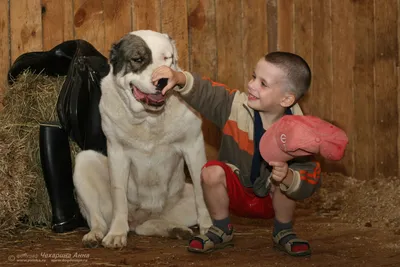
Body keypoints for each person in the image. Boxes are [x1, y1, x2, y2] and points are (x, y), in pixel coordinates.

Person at [151, 51, 321, 257]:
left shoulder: (299, 134)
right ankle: (221, 229)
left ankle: (283, 230)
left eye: (263, 84)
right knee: (210, 172)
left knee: (286, 179)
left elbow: (310, 180)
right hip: (237, 194)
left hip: (272, 197)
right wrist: (179, 78)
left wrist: (288, 177)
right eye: (253, 76)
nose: (251, 85)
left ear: (286, 99)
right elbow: (207, 93)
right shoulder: (236, 107)